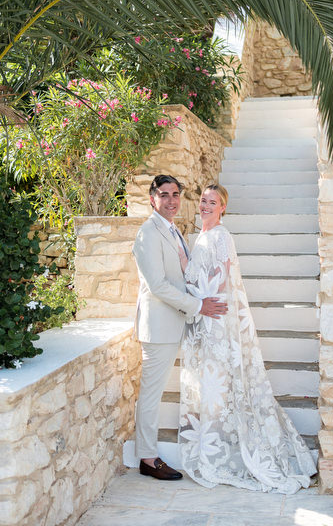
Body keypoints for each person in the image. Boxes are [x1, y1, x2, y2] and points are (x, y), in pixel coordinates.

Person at [178, 184, 317, 494]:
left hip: (213, 317)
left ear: (223, 208)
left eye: (212, 202)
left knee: (217, 384)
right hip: (201, 317)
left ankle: (221, 446)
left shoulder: (221, 236)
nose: (205, 205)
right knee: (208, 385)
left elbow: (222, 279)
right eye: (203, 200)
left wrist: (197, 295)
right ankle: (214, 440)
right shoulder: (202, 236)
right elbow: (198, 273)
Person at [132, 175, 227, 481]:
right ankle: (147, 458)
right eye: (164, 195)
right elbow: (158, 285)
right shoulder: (148, 233)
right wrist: (199, 306)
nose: (171, 200)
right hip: (158, 327)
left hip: (177, 323)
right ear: (152, 199)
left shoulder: (173, 230)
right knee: (151, 394)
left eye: (175, 194)